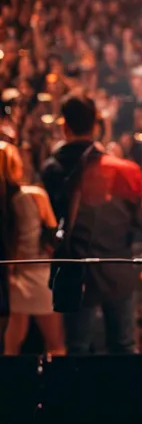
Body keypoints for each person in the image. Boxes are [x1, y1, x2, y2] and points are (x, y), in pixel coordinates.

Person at [40, 93, 142, 355]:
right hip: (118, 269)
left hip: (75, 273)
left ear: (64, 126)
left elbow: (51, 224)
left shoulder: (52, 170)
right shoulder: (124, 169)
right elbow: (141, 223)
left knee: (77, 351)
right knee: (123, 347)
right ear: (96, 126)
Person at [1, 141, 65, 355]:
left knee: (11, 345)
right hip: (37, 272)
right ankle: (55, 386)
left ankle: (10, 387)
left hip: (11, 276)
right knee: (55, 344)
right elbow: (52, 236)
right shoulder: (33, 195)